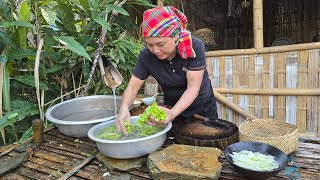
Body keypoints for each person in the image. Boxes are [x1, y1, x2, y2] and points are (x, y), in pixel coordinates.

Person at [115, 6, 218, 135]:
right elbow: (132, 87)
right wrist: (124, 109)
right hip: (170, 108)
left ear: (175, 36)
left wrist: (173, 113)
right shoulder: (146, 56)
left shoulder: (194, 47)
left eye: (160, 44)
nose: (155, 51)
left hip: (201, 108)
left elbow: (193, 88)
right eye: (149, 44)